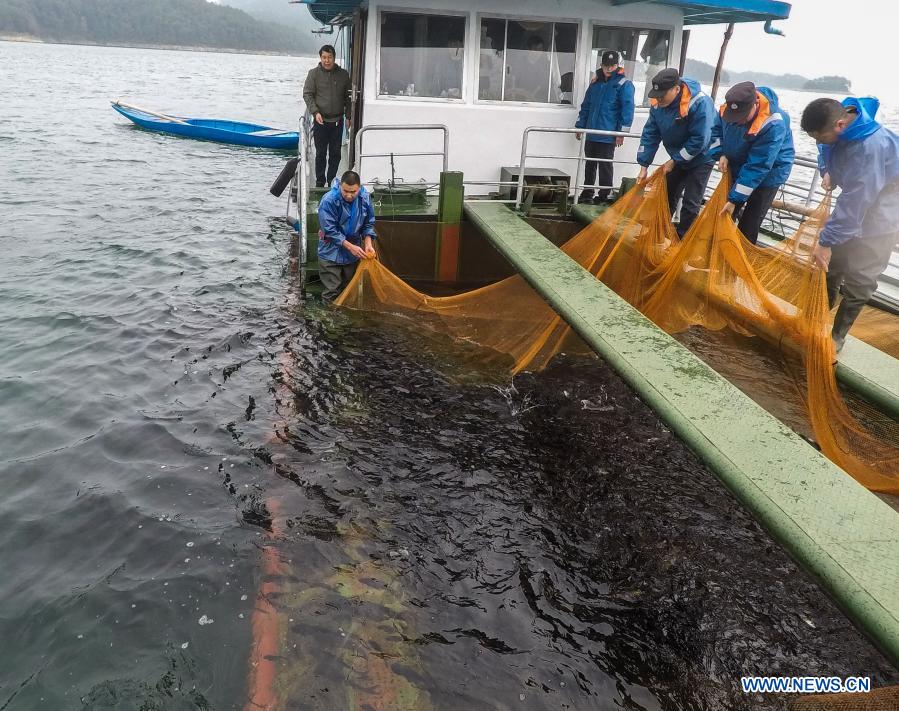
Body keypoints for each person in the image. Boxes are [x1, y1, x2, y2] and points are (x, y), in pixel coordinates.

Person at [801, 96, 899, 352]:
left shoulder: (869, 147)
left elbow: (856, 200)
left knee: (860, 281)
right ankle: (815, 320)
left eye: (819, 137)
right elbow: (826, 148)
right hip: (853, 208)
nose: (817, 143)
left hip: (883, 217)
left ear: (841, 126)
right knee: (831, 269)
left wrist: (826, 241)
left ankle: (837, 337)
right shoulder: (836, 120)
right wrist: (827, 170)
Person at [710, 81, 795, 244]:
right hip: (738, 164)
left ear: (755, 104)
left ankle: (739, 261)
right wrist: (721, 154)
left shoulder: (774, 123)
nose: (737, 121)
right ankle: (715, 254)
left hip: (769, 174)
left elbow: (758, 165)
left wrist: (735, 199)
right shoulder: (729, 109)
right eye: (734, 117)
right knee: (722, 213)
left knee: (750, 222)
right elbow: (715, 133)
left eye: (742, 116)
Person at [637, 68, 715, 237]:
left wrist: (674, 161)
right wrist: (644, 165)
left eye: (662, 95)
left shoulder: (700, 103)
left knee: (691, 202)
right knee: (667, 195)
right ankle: (659, 234)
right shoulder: (658, 104)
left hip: (701, 157)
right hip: (677, 156)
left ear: (676, 89)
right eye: (656, 95)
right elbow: (650, 133)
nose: (658, 99)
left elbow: (700, 139)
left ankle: (681, 240)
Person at [575, 50, 635, 204]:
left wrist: (621, 133)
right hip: (591, 131)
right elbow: (586, 106)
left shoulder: (624, 84)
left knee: (605, 165)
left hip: (608, 134)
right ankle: (587, 193)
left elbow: (627, 110)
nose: (609, 68)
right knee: (589, 163)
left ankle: (603, 195)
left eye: (612, 65)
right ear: (601, 65)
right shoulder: (595, 84)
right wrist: (580, 126)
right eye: (606, 65)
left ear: (618, 65)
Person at [317, 170, 377, 301]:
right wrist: (351, 247)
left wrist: (368, 244)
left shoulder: (365, 198)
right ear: (340, 186)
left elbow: (368, 224)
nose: (349, 195)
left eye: (353, 192)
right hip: (330, 252)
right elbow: (330, 230)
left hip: (353, 253)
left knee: (349, 289)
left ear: (359, 188)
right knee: (332, 291)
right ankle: (328, 319)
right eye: (345, 191)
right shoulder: (328, 200)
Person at [303, 45, 352, 188]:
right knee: (321, 153)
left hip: (338, 121)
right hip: (320, 120)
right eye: (324, 57)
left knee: (336, 154)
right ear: (320, 58)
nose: (327, 60)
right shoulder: (313, 74)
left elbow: (348, 97)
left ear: (334, 58)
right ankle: (319, 180)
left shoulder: (343, 75)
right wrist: (315, 112)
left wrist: (348, 116)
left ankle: (331, 180)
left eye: (329, 57)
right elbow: (307, 94)